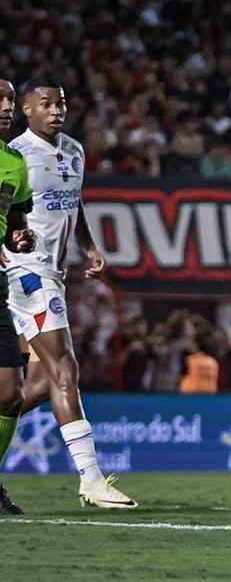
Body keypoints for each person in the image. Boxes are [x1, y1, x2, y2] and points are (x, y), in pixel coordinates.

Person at [6, 79, 138, 509]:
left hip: (54, 272)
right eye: (45, 103)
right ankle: (91, 478)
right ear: (27, 110)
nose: (56, 110)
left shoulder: (75, 151)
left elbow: (72, 201)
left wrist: (90, 245)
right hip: (28, 272)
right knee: (65, 368)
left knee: (36, 384)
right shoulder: (17, 154)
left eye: (61, 102)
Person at [0, 78, 37, 515]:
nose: (7, 106)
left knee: (10, 392)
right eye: (1, 99)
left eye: (10, 99)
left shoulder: (14, 161)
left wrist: (20, 240)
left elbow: (14, 227)